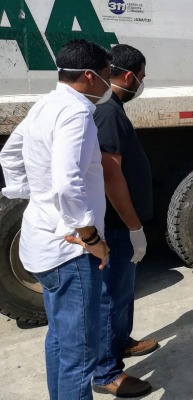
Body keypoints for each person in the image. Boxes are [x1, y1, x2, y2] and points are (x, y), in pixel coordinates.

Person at [0, 39, 112, 400]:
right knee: (79, 354)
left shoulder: (47, 103)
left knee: (61, 340)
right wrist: (91, 237)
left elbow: (11, 154)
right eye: (108, 75)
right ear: (91, 76)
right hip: (71, 251)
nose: (110, 83)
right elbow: (67, 183)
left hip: (42, 240)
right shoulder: (77, 113)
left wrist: (33, 195)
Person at [91, 44, 156, 398]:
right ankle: (105, 372)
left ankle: (120, 343)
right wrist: (133, 227)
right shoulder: (110, 113)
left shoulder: (111, 109)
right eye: (142, 78)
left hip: (120, 223)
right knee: (111, 296)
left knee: (122, 292)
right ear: (129, 76)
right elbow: (110, 173)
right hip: (116, 224)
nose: (141, 84)